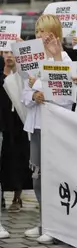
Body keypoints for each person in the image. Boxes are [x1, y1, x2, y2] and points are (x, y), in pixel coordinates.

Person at [22, 14, 72, 245]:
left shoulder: (66, 59)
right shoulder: (32, 60)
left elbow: (65, 97)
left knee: (54, 177)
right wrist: (34, 94)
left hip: (56, 127)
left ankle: (57, 226)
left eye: (45, 32)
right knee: (37, 177)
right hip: (37, 125)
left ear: (55, 33)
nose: (40, 36)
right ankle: (43, 221)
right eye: (38, 31)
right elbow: (24, 92)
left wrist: (42, 86)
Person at [0, 51, 32, 214]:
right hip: (4, 123)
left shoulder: (23, 75)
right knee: (4, 159)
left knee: (20, 158)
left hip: (20, 123)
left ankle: (17, 196)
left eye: (13, 53)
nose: (9, 56)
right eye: (6, 53)